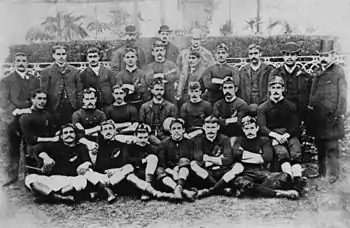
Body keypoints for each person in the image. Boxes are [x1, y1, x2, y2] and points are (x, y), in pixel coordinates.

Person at [83, 120, 174, 202]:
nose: (108, 131)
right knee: (87, 173)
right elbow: (99, 166)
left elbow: (125, 161)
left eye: (110, 129)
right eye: (105, 129)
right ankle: (106, 188)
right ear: (102, 132)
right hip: (103, 176)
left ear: (115, 131)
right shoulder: (98, 146)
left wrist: (115, 170)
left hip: (118, 175)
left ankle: (155, 193)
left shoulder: (123, 145)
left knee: (129, 168)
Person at [306, 39, 347, 183]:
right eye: (321, 56)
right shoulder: (317, 71)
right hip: (318, 115)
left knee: (332, 146)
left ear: (333, 55)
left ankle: (333, 173)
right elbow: (312, 92)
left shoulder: (338, 71)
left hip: (332, 116)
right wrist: (310, 108)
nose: (323, 59)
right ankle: (321, 171)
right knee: (320, 146)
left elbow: (343, 94)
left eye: (326, 56)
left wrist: (339, 113)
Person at [257, 76, 306, 194]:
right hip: (273, 136)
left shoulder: (290, 106)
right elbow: (262, 127)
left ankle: (297, 179)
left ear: (283, 89)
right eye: (273, 87)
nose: (275, 90)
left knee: (295, 151)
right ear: (269, 89)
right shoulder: (263, 107)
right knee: (282, 153)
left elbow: (295, 125)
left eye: (278, 87)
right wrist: (275, 136)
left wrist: (287, 135)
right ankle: (288, 179)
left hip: (289, 134)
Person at [231, 116, 299, 199]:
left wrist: (245, 155)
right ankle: (278, 193)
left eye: (252, 128)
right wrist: (259, 157)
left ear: (257, 128)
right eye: (247, 129)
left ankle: (254, 190)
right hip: (246, 173)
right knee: (239, 181)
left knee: (285, 176)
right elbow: (237, 155)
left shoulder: (264, 140)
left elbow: (267, 158)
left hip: (263, 173)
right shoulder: (239, 140)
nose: (250, 131)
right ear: (243, 129)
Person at [0, 52, 40, 186]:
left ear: (28, 62)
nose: (22, 63)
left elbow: (38, 96)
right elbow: (3, 100)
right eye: (19, 61)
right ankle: (12, 175)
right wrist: (15, 110)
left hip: (30, 117)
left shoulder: (34, 79)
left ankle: (31, 173)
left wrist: (33, 109)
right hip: (14, 117)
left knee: (30, 144)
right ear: (14, 63)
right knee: (14, 145)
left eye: (24, 60)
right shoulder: (7, 80)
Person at [24, 124, 91, 204]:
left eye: (71, 132)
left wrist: (86, 164)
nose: (68, 135)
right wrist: (46, 158)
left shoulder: (81, 147)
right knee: (30, 178)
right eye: (65, 133)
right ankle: (58, 197)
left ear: (75, 135)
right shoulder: (54, 145)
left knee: (82, 180)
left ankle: (51, 195)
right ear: (61, 136)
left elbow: (88, 161)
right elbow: (35, 149)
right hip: (54, 178)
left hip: (73, 179)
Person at [190, 116, 236, 195]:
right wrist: (219, 159)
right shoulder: (199, 139)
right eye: (208, 127)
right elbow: (199, 158)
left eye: (213, 127)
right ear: (204, 127)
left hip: (222, 172)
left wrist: (208, 158)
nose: (210, 130)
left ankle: (213, 189)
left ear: (218, 127)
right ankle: (221, 188)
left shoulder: (225, 139)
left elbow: (228, 160)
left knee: (238, 166)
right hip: (207, 173)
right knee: (193, 164)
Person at [268, 42, 311, 125]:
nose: (290, 57)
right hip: (279, 113)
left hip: (297, 115)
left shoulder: (304, 75)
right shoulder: (275, 73)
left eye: (293, 55)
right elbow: (269, 95)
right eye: (287, 54)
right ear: (283, 56)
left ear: (297, 56)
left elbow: (305, 100)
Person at [40, 45, 82, 127]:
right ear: (53, 55)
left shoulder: (74, 71)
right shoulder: (46, 71)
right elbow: (44, 91)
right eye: (58, 54)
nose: (61, 57)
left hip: (71, 106)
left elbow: (79, 91)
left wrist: (79, 106)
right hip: (54, 106)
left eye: (63, 54)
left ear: (66, 55)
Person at [156, 118, 198, 201]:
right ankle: (183, 191)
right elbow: (163, 163)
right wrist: (172, 171)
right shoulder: (164, 144)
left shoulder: (190, 143)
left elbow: (193, 158)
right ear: (170, 131)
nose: (176, 131)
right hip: (170, 172)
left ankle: (178, 189)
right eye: (174, 129)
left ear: (183, 130)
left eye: (179, 128)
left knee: (184, 162)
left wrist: (178, 168)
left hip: (185, 173)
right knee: (159, 170)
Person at [122, 123, 165, 201]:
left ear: (148, 136)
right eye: (140, 137)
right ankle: (147, 189)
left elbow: (160, 163)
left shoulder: (153, 148)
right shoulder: (129, 147)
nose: (143, 140)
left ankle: (147, 190)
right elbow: (125, 160)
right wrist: (142, 161)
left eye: (145, 137)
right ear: (135, 136)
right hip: (135, 174)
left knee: (152, 157)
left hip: (150, 175)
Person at [71, 88, 106, 164]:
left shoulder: (101, 114)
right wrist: (97, 128)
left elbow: (104, 130)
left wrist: (87, 131)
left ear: (96, 99)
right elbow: (81, 132)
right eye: (87, 99)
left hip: (99, 143)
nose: (90, 101)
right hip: (82, 143)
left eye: (92, 98)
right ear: (83, 100)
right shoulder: (77, 114)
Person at [139, 79, 178, 145]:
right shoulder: (145, 107)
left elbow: (175, 124)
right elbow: (141, 123)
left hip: (166, 136)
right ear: (152, 91)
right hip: (149, 136)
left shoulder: (171, 106)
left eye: (161, 90)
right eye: (157, 90)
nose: (159, 92)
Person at [239, 44, 273, 116]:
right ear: (248, 55)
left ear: (260, 54)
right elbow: (241, 89)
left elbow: (270, 88)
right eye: (251, 54)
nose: (253, 56)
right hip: (248, 102)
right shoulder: (243, 70)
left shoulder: (268, 69)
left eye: (255, 53)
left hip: (263, 102)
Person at [213, 76, 248, 146]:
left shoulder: (242, 104)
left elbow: (240, 121)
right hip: (221, 134)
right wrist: (232, 120)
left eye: (230, 87)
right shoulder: (218, 104)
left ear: (235, 89)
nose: (227, 90)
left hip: (237, 134)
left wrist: (224, 121)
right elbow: (216, 121)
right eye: (225, 88)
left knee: (232, 148)